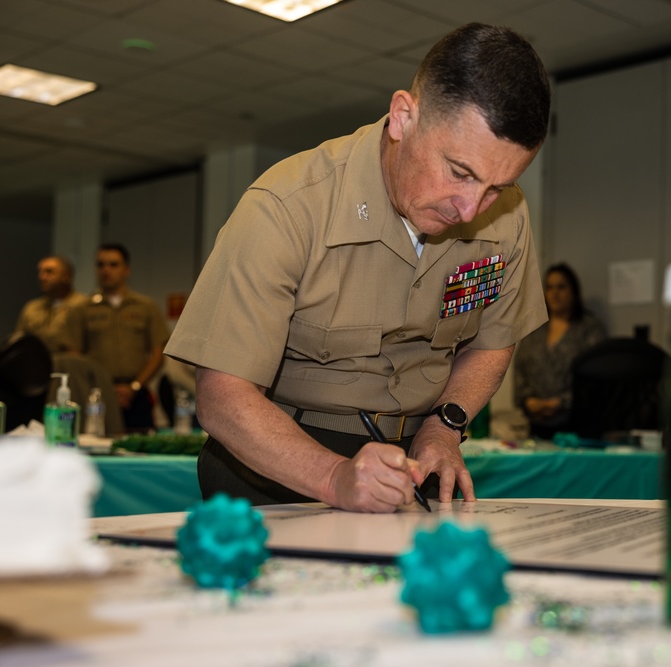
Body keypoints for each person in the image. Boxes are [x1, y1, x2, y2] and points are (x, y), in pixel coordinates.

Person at [165, 23, 551, 513]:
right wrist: (332, 477)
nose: (472, 208)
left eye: (496, 186)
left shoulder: (508, 216)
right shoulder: (287, 206)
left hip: (417, 462)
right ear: (402, 117)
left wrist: (444, 426)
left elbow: (493, 344)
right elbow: (222, 397)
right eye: (460, 172)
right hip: (278, 465)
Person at [64, 243, 170, 431]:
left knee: (141, 450)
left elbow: (158, 353)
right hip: (97, 394)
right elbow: (74, 356)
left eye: (113, 265)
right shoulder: (83, 309)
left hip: (136, 393)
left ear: (126, 269)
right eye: (101, 265)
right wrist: (100, 388)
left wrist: (134, 387)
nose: (106, 270)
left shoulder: (146, 307)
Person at [513, 263, 606, 439]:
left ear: (574, 291)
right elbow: (520, 370)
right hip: (536, 426)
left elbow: (596, 378)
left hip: (577, 425)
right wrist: (529, 401)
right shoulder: (535, 329)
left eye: (561, 287)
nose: (554, 293)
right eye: (550, 287)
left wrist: (561, 402)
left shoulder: (589, 328)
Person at [14, 256, 89, 353]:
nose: (42, 277)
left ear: (66, 276)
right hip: (37, 365)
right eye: (40, 272)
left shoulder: (84, 305)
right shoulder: (31, 308)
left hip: (69, 365)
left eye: (49, 272)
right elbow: (18, 343)